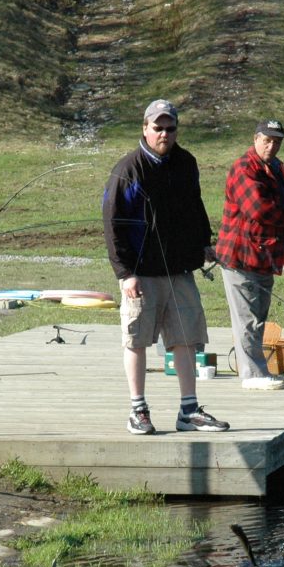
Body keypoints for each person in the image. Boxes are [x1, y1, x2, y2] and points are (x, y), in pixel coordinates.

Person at [102, 99, 230, 435]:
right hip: (140, 274)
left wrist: (204, 243)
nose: (164, 134)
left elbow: (195, 206)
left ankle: (189, 410)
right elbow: (112, 225)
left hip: (179, 270)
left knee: (187, 338)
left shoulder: (186, 162)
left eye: (170, 128)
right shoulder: (127, 169)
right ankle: (138, 410)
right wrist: (124, 273)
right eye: (157, 127)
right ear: (144, 128)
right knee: (137, 340)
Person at [215, 118, 284, 390]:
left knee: (257, 317)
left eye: (277, 141)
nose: (271, 145)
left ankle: (255, 370)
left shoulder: (276, 167)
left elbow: (282, 203)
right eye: (267, 140)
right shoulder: (245, 168)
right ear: (255, 139)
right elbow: (260, 210)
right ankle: (252, 375)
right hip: (240, 256)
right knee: (248, 319)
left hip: (263, 256)